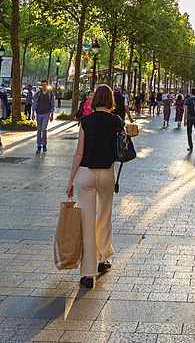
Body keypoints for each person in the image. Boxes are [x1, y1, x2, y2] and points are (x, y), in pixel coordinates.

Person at [66, 84, 123, 290]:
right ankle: (103, 259)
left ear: (94, 99)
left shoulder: (85, 121)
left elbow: (78, 153)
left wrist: (71, 180)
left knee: (86, 221)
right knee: (104, 217)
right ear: (110, 101)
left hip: (85, 174)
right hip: (107, 173)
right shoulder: (116, 122)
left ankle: (87, 274)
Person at [34, 80, 55, 153]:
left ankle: (44, 144)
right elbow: (35, 102)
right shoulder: (38, 93)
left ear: (47, 85)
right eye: (42, 85)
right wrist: (33, 113)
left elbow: (52, 103)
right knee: (39, 130)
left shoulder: (50, 94)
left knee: (44, 129)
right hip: (38, 113)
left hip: (46, 113)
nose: (44, 86)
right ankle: (39, 146)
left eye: (45, 84)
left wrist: (52, 114)